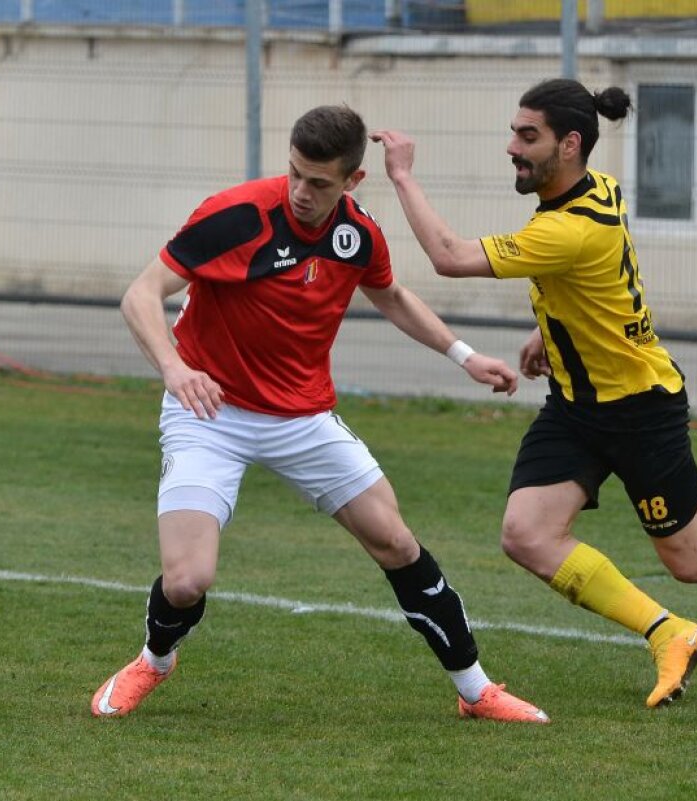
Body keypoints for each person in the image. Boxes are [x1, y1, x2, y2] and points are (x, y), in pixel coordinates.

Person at [371, 78, 697, 709]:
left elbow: (448, 255)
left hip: (639, 409)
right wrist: (550, 331)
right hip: (577, 406)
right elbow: (596, 280)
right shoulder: (592, 191)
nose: (511, 148)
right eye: (514, 132)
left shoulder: (569, 227)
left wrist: (403, 177)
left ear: (569, 144)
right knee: (527, 535)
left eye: (527, 136)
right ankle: (668, 631)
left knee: (694, 559)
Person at [90, 105, 548, 724]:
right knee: (187, 581)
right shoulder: (235, 215)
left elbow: (389, 295)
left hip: (302, 418)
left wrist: (463, 355)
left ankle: (476, 691)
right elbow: (140, 294)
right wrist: (175, 369)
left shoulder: (357, 233)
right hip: (210, 412)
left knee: (395, 540)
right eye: (295, 175)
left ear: (352, 181)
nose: (302, 193)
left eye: (320, 183)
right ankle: (155, 660)